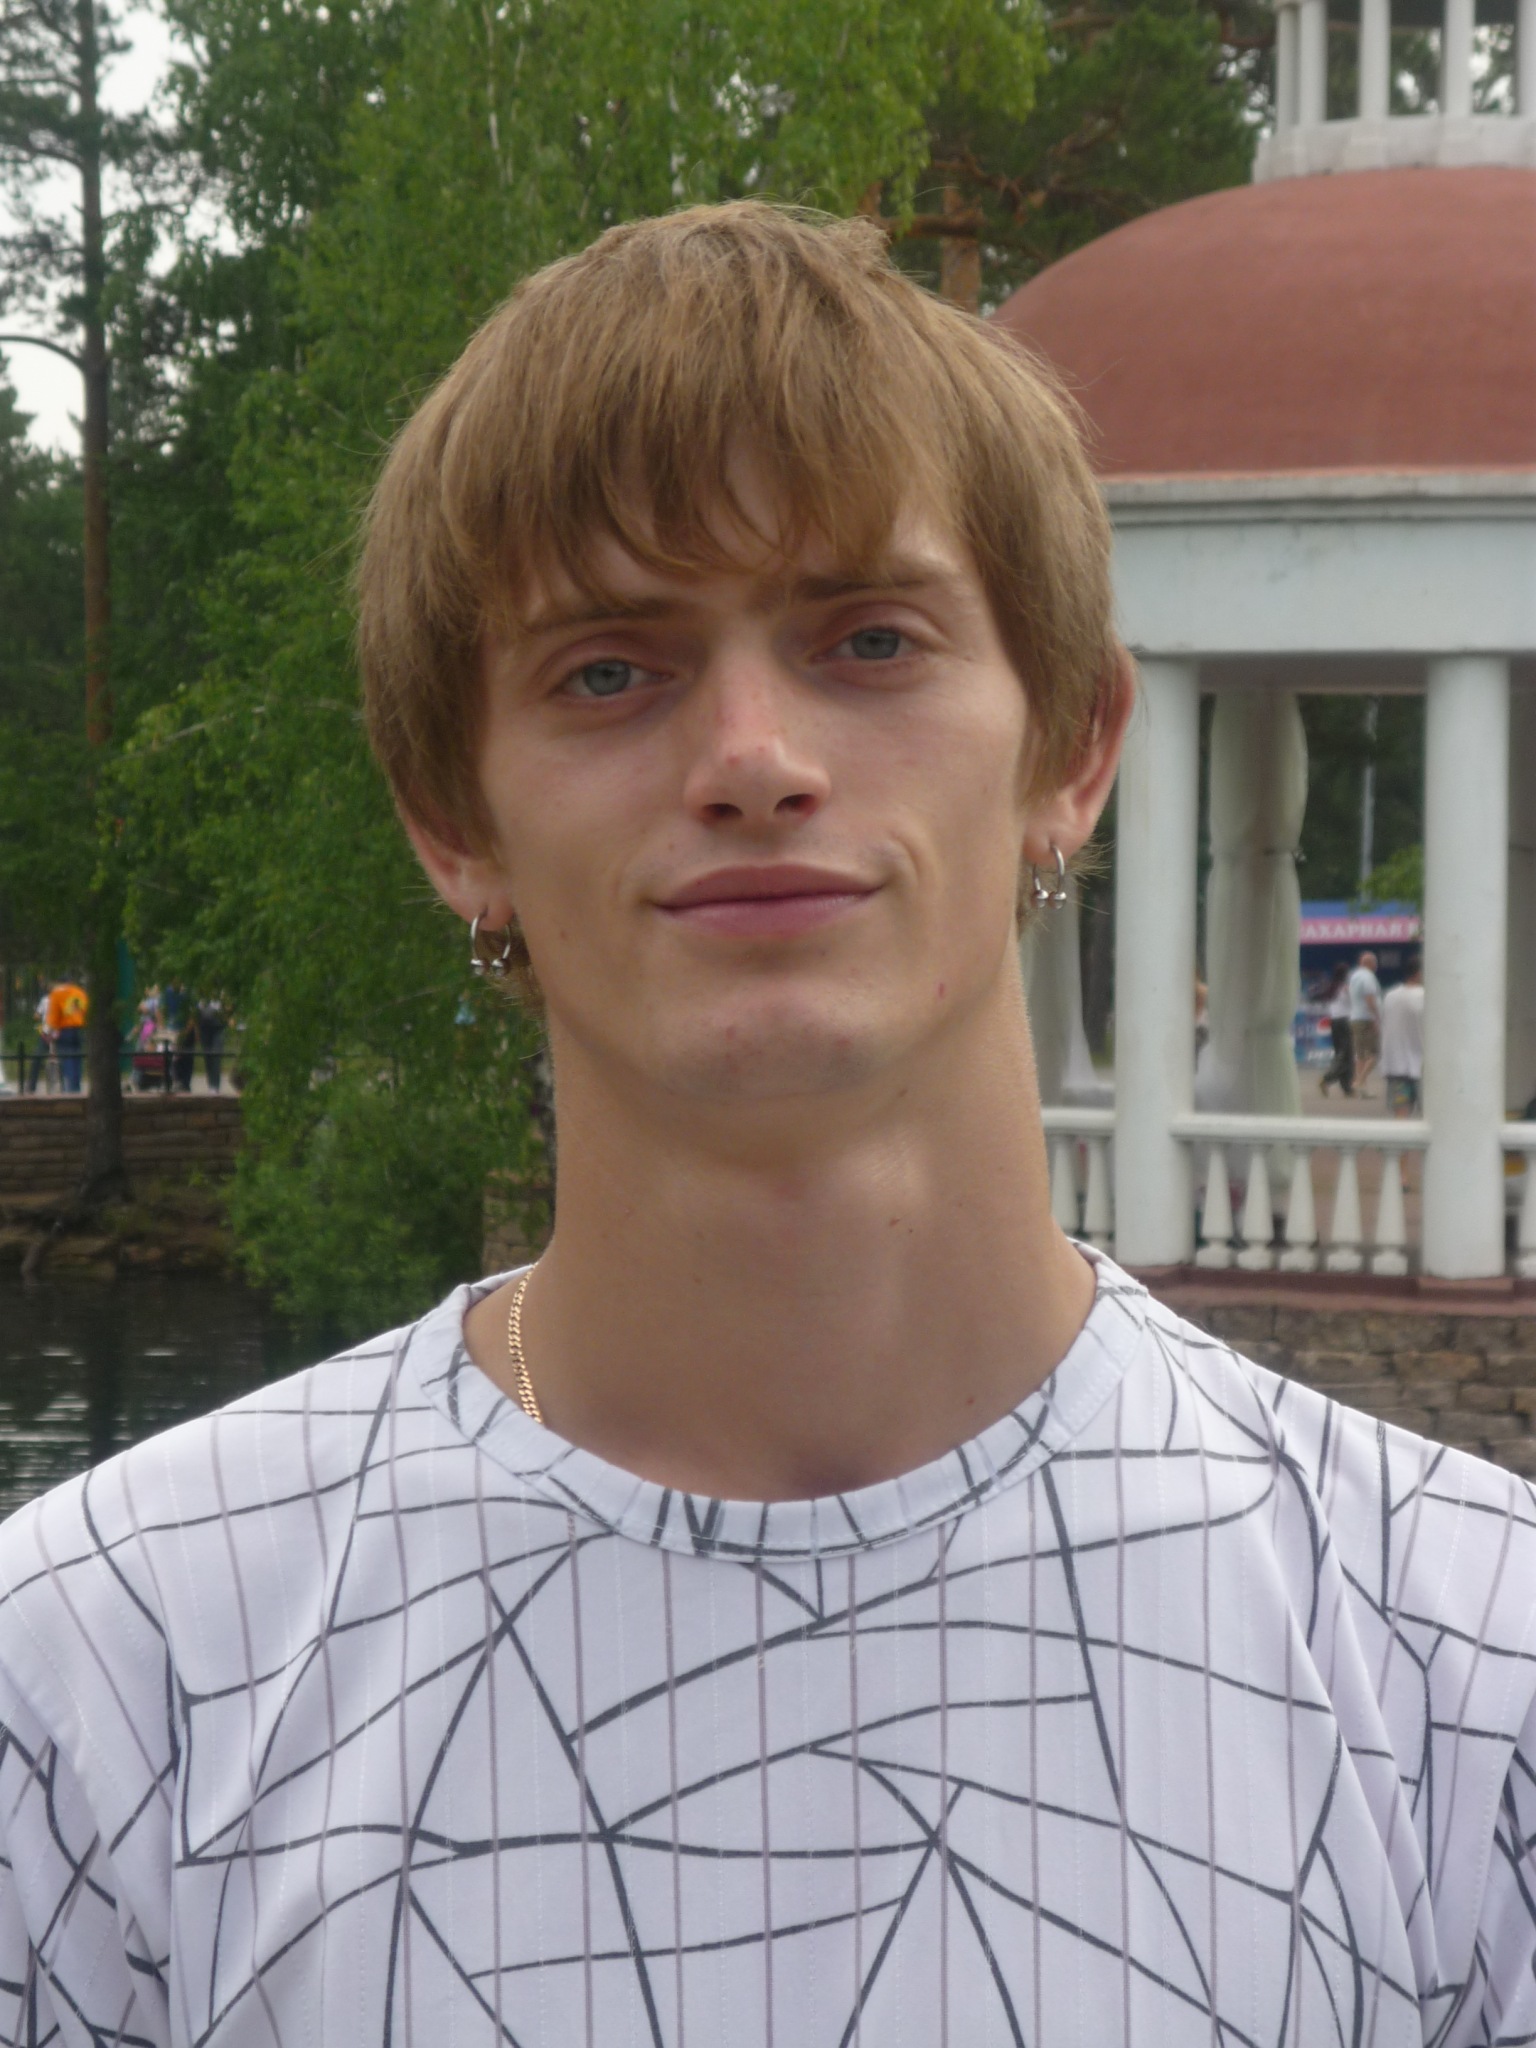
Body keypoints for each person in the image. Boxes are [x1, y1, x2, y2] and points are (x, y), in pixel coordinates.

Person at [0, 204, 1531, 2048]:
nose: (751, 757)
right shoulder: (99, 1681)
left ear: (1070, 748)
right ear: (451, 819)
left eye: (869, 640)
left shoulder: (1472, 1672)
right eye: (608, 670)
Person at [1382, 950, 1425, 1116]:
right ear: (1420, 973)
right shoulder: (1426, 997)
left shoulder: (1390, 996)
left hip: (1396, 1066)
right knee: (1433, 1117)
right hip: (1423, 1067)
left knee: (1401, 1117)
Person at [1347, 945, 1383, 1094]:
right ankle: (1359, 1081)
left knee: (1360, 1055)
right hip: (1366, 1019)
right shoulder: (1368, 977)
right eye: (1375, 962)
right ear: (1370, 963)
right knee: (1374, 1054)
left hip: (1355, 1016)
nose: (1376, 965)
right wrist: (1376, 1017)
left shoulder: (1354, 976)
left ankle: (1362, 1088)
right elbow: (1369, 999)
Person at [43, 976, 87, 1092]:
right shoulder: (80, 992)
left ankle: (70, 1089)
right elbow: (86, 1011)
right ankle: (76, 1087)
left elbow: (53, 1017)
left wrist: (50, 1032)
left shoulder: (57, 994)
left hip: (65, 1029)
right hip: (79, 1029)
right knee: (77, 1059)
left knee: (67, 1059)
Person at [1318, 960, 1354, 1096]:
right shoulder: (1345, 988)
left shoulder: (1332, 987)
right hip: (1344, 1021)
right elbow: (1353, 1002)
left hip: (1334, 1022)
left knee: (1340, 1053)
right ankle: (1327, 1079)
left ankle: (1347, 1088)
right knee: (1346, 1055)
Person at [196, 993, 227, 1091]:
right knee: (208, 1057)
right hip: (204, 1029)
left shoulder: (221, 995)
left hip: (218, 1028)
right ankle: (211, 1084)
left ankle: (215, 1086)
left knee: (216, 1055)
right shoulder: (201, 997)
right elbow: (197, 1013)